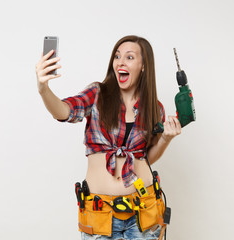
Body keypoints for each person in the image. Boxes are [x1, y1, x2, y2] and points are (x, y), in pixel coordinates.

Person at [35, 35, 181, 240]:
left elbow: (147, 157)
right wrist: (44, 89)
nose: (120, 61)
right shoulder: (97, 94)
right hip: (99, 212)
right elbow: (65, 111)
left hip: (143, 208)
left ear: (143, 66)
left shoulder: (155, 109)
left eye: (129, 57)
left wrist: (166, 138)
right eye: (117, 56)